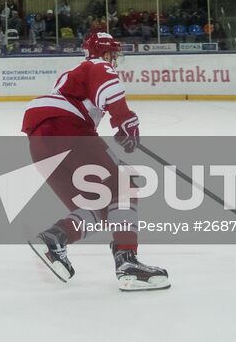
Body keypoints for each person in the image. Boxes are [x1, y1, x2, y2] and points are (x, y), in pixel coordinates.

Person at [21, 30, 169, 292]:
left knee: (99, 205)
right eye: (112, 53)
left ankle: (55, 238)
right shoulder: (98, 65)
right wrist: (125, 121)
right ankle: (127, 263)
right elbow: (109, 89)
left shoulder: (71, 76)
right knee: (125, 187)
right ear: (104, 52)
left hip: (40, 143)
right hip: (67, 130)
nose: (114, 59)